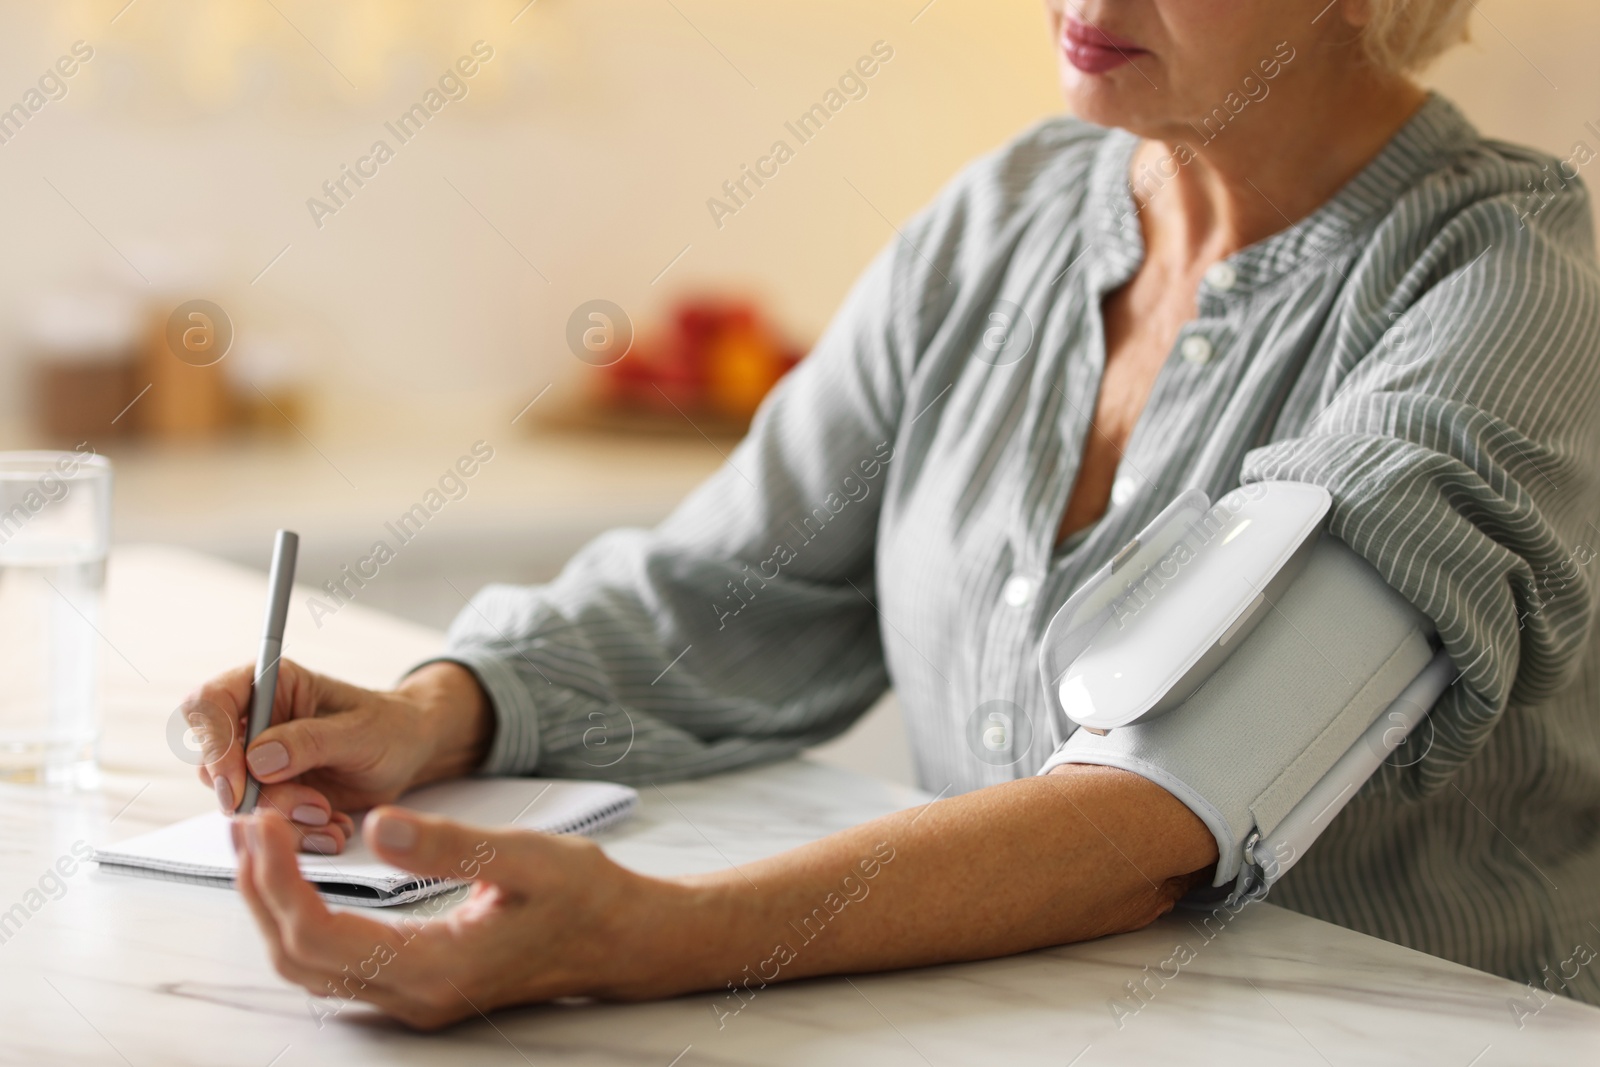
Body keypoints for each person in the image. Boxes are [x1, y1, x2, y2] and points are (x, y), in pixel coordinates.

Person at [187, 0, 1600, 1029]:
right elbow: (728, 589)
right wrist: (437, 712)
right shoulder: (1008, 218)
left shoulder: (1512, 287)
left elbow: (1172, 801)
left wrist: (660, 935)